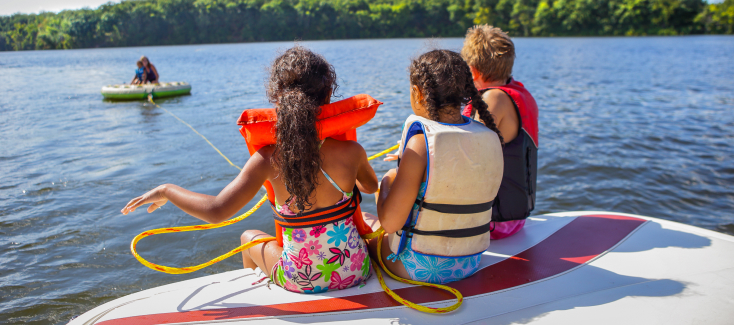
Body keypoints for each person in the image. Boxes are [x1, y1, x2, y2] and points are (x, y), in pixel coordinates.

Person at [121, 46, 379, 294]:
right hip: (354, 270)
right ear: (327, 97)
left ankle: (263, 299)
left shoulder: (266, 159)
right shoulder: (351, 152)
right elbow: (370, 187)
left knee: (248, 237)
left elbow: (216, 210)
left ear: (277, 99)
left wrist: (167, 190)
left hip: (301, 279)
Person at [364, 50, 504, 284]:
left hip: (416, 267)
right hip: (469, 262)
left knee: (365, 222)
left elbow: (390, 223)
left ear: (417, 93)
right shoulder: (488, 136)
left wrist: (387, 181)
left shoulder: (420, 144)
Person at [460, 24, 539, 240]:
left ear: (472, 70)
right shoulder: (520, 94)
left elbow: (467, 154)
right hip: (514, 219)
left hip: (492, 222)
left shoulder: (492, 99)